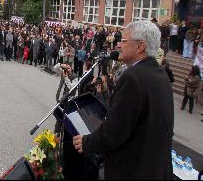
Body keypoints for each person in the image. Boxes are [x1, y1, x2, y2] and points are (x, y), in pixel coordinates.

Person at [72, 20, 174, 180]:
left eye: (124, 41)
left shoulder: (133, 77)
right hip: (154, 169)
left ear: (140, 46)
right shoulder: (160, 74)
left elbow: (114, 133)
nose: (118, 45)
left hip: (132, 170)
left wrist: (86, 142)